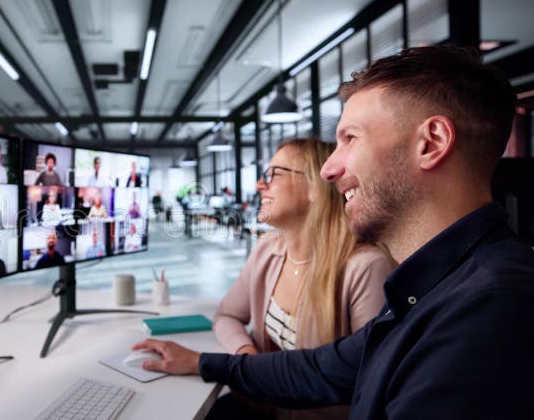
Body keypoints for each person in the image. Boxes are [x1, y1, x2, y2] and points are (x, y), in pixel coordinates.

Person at [132, 46, 534, 419]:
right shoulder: (431, 285)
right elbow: (325, 369)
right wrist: (205, 364)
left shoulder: (492, 306)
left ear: (431, 143)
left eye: (350, 139)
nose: (328, 169)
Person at [211, 138, 394, 418]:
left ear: (314, 188)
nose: (260, 186)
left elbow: (368, 378)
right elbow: (225, 316)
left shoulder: (365, 267)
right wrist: (246, 356)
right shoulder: (268, 249)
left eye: (273, 174)